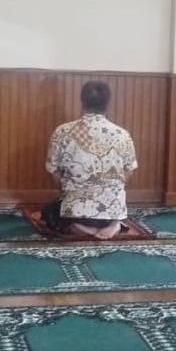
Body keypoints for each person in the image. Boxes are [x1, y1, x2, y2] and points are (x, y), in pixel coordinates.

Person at [44, 81, 138, 239]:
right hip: (112, 209)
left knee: (49, 211)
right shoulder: (122, 134)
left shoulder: (63, 132)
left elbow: (52, 169)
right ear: (107, 103)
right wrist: (111, 189)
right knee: (112, 208)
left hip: (76, 211)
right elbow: (129, 171)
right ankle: (115, 224)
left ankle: (83, 229)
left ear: (82, 101)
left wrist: (66, 190)